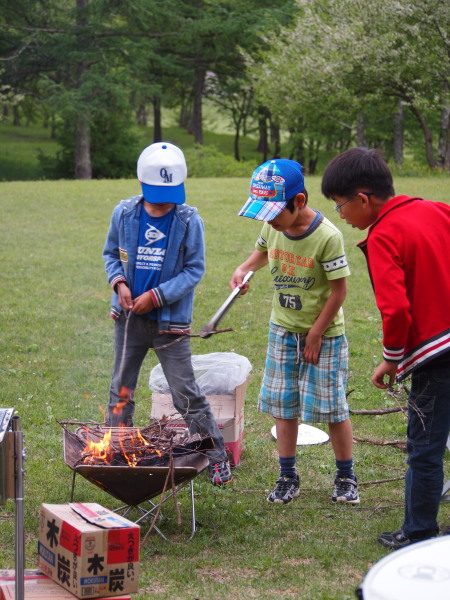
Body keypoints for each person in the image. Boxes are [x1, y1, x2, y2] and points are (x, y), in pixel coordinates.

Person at [321, 147, 450, 549]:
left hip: (436, 354)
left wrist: (390, 360)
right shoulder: (438, 209)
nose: (340, 215)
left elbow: (395, 311)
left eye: (340, 206)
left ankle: (418, 533)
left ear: (363, 198)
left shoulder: (382, 236)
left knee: (425, 447)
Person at [230, 158, 359, 505]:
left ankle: (346, 476)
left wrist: (316, 334)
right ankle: (287, 475)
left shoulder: (327, 237)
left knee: (333, 407)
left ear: (299, 201)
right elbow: (261, 251)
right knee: (284, 405)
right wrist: (244, 268)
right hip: (282, 330)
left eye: (273, 212)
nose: (268, 220)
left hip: (324, 335)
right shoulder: (273, 225)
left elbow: (339, 291)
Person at [102, 141, 232, 486]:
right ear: (143, 185)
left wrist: (156, 297)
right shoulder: (125, 214)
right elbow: (111, 254)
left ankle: (216, 453)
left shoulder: (189, 221)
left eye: (171, 193)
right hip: (129, 320)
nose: (165, 200)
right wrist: (120, 284)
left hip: (169, 325)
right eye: (157, 193)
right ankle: (116, 447)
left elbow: (193, 270)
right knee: (121, 388)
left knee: (185, 391)